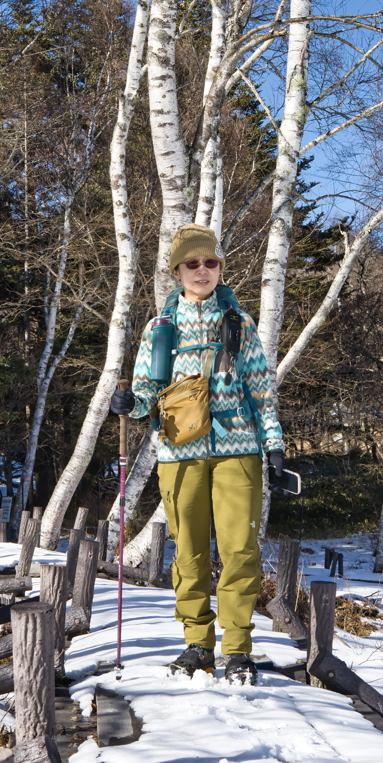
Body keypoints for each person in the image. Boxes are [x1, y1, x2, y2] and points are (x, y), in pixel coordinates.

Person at [110, 223, 284, 685]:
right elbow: (147, 388)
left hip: (238, 450)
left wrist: (274, 445)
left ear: (220, 268)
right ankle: (196, 645)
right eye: (192, 263)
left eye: (210, 262)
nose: (202, 270)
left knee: (239, 551)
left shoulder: (239, 323)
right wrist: (132, 404)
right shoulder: (159, 328)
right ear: (177, 271)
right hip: (177, 450)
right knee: (187, 551)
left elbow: (262, 389)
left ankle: (238, 649)